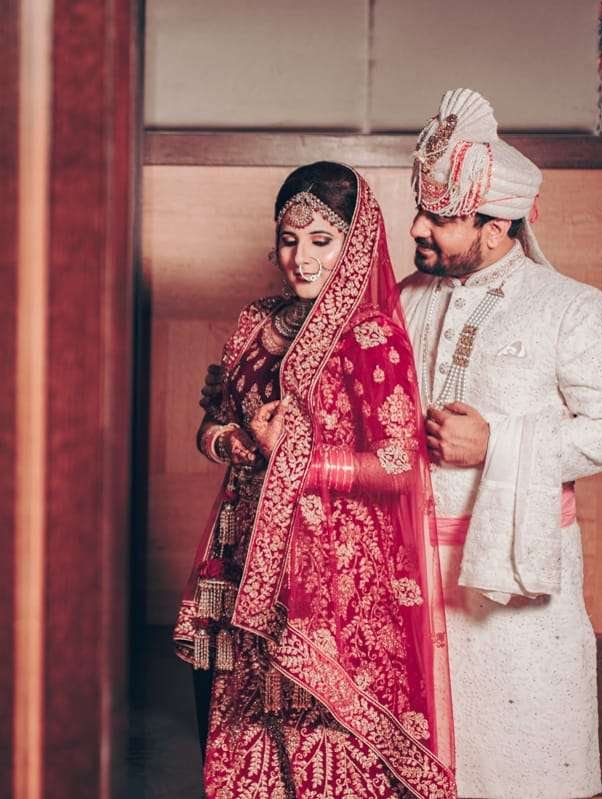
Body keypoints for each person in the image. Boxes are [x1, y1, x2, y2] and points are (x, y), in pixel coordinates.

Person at [177, 162, 456, 799]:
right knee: (245, 720)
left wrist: (299, 459)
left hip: (336, 569)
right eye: (289, 240)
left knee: (324, 735)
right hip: (242, 550)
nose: (300, 259)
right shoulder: (255, 323)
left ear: (353, 245)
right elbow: (212, 425)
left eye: (320, 241)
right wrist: (234, 441)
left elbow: (398, 464)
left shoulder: (372, 337)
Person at [399, 88, 602, 799]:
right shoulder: (406, 299)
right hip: (412, 577)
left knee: (524, 768)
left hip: (515, 590)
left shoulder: (568, 306)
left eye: (440, 217)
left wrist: (495, 441)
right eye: (420, 209)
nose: (416, 227)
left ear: (497, 225)